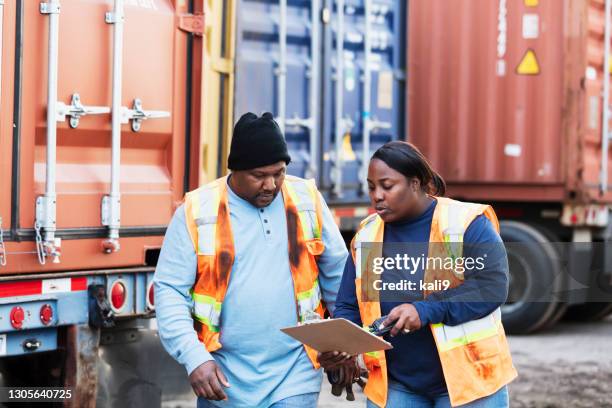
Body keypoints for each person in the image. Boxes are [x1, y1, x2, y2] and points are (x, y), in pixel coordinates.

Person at [154, 112, 348, 407]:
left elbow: (338, 275)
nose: (271, 184)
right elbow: (169, 291)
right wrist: (194, 358)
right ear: (236, 170)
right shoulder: (196, 210)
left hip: (295, 373)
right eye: (259, 175)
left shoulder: (306, 198)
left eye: (279, 172)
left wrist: (347, 346)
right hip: (222, 378)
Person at [319, 141, 517, 407]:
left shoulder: (465, 223)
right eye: (371, 187)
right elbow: (349, 304)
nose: (377, 195)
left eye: (387, 186)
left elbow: (492, 286)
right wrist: (340, 346)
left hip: (471, 383)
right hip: (399, 385)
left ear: (415, 184)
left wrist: (424, 310)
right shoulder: (367, 236)